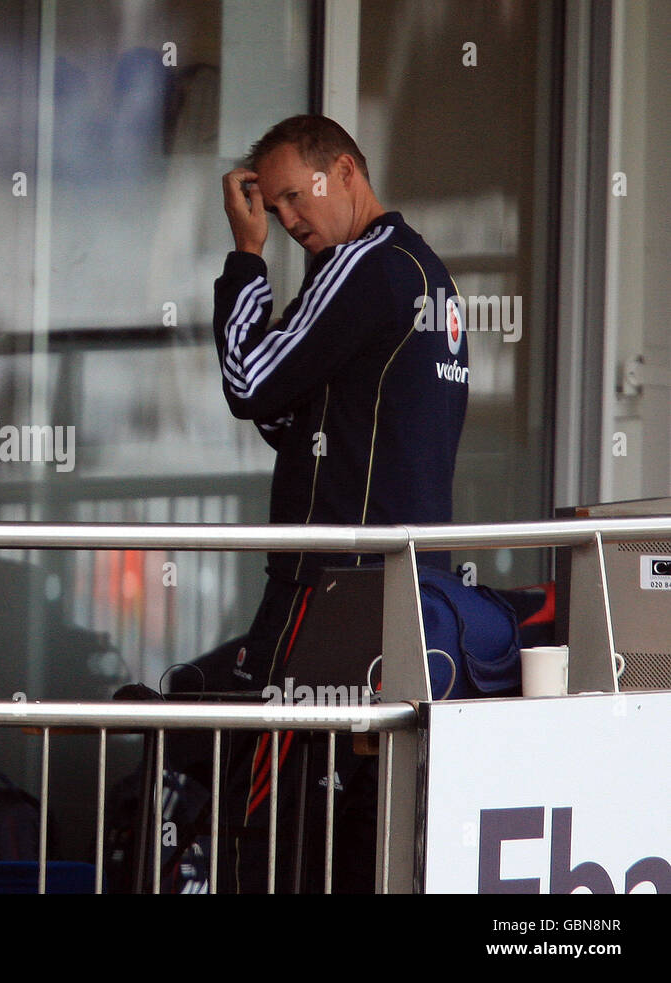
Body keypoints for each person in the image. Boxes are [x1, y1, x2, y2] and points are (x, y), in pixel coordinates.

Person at [196, 115, 468, 891]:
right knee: (360, 821)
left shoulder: (362, 264)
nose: (284, 221)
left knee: (270, 812)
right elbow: (293, 414)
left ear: (345, 171)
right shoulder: (425, 272)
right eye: (270, 210)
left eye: (292, 198)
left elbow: (250, 382)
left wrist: (245, 259)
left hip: (332, 586)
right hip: (408, 588)